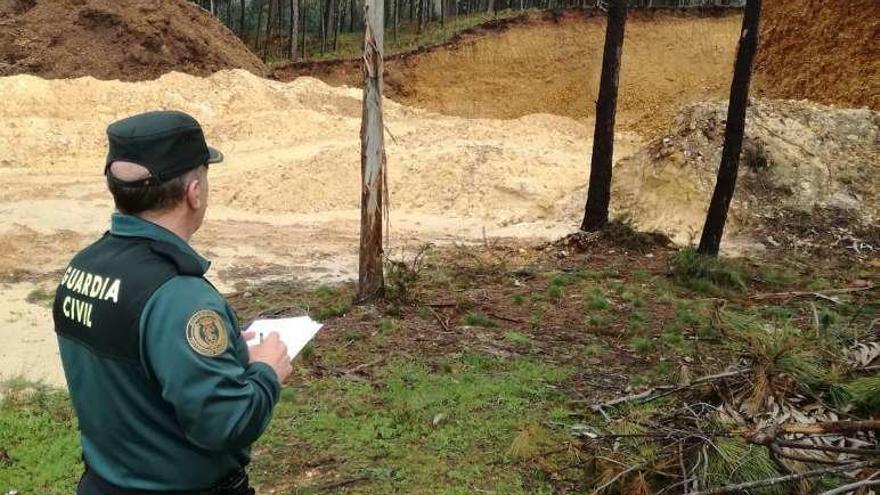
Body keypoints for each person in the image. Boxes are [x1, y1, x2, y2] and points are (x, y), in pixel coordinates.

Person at [52, 110, 293, 495]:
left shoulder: (81, 268)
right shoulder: (180, 296)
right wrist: (266, 371)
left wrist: (225, 355)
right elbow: (225, 423)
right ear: (194, 192)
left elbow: (136, 373)